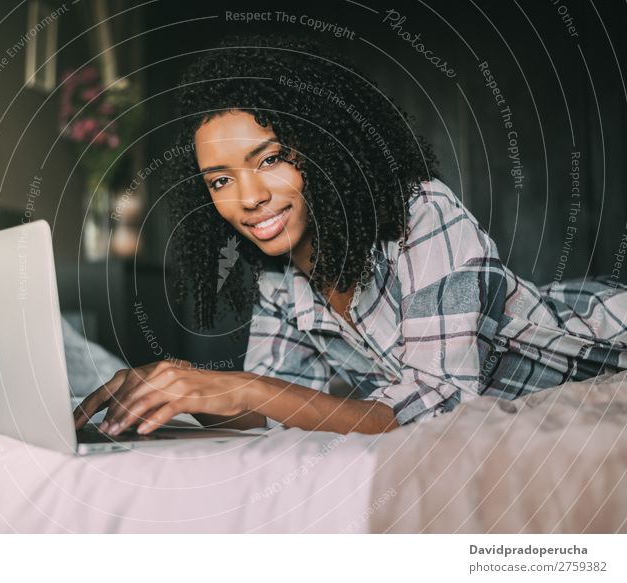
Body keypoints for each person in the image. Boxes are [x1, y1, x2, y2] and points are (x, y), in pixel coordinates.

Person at [73, 34, 627, 436]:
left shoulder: (422, 214)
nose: (247, 198)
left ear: (324, 150)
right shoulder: (283, 278)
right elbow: (275, 396)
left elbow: (444, 405)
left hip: (605, 335)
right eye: (220, 179)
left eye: (269, 159)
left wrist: (240, 386)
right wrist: (186, 387)